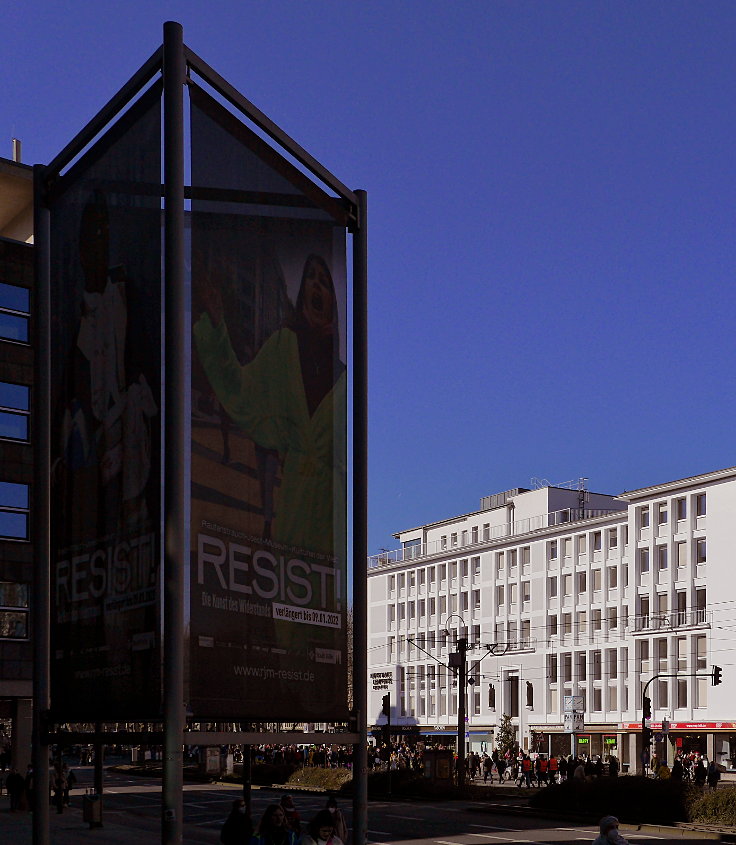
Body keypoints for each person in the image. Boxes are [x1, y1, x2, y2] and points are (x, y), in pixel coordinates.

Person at [194, 253, 347, 558]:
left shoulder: (343, 377)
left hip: (334, 518)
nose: (316, 286)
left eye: (324, 282)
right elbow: (241, 389)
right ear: (303, 293)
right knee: (294, 589)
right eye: (311, 279)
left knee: (326, 595)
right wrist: (215, 326)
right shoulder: (282, 348)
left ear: (332, 301)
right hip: (294, 510)